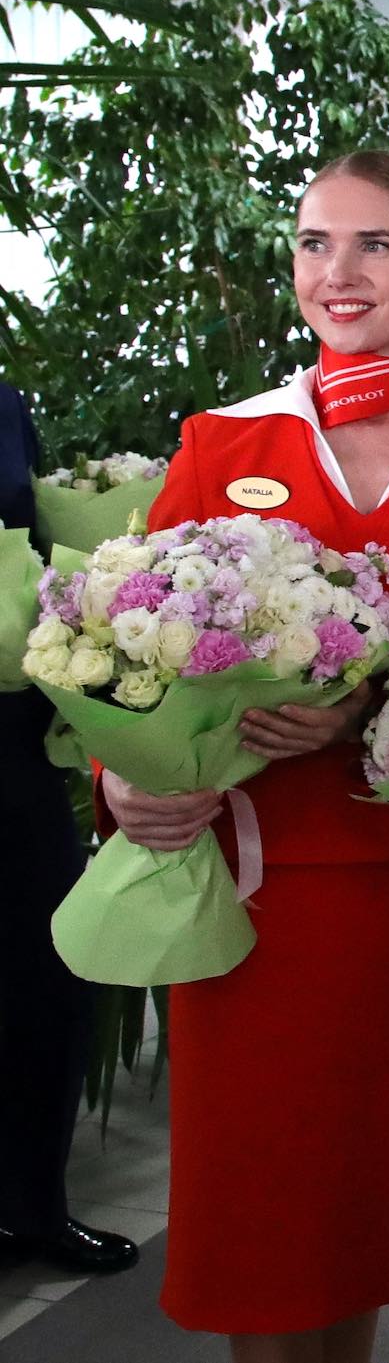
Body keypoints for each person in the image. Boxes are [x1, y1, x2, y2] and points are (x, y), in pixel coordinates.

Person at [103, 151, 389, 1361]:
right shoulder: (226, 441)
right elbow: (127, 651)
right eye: (315, 243)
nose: (340, 272)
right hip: (253, 893)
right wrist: (127, 777)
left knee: (368, 1205)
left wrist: (368, 710)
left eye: (377, 244)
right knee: (262, 1215)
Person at [0, 386, 131, 1280]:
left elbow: (37, 537)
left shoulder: (4, 403)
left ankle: (31, 1208)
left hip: (11, 741)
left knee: (47, 980)